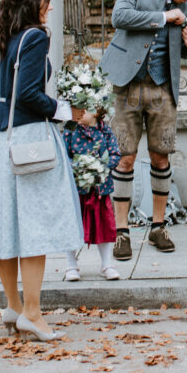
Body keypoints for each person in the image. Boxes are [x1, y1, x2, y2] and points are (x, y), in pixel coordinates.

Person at [0, 0, 83, 342]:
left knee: (7, 227)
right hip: (30, 140)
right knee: (34, 228)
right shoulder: (36, 37)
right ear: (34, 3)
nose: (50, 6)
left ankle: (13, 306)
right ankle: (33, 313)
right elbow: (32, 97)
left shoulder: (0, 39)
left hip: (1, 140)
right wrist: (72, 112)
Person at [99, 0, 187, 259]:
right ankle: (121, 232)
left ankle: (159, 227)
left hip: (163, 90)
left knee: (161, 157)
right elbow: (119, 18)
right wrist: (162, 16)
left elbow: (183, 49)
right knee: (124, 157)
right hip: (126, 85)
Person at [63, 104, 122, 280]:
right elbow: (65, 155)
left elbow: (115, 154)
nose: (79, 114)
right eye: (76, 109)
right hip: (77, 188)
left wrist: (101, 168)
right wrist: (78, 168)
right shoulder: (70, 129)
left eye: (84, 110)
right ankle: (71, 265)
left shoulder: (105, 131)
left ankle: (106, 264)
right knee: (72, 224)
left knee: (103, 225)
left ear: (97, 112)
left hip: (99, 188)